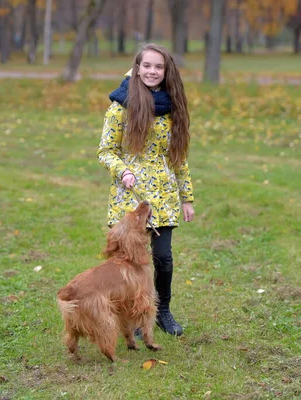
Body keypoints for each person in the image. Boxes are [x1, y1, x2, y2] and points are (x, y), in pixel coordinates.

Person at [97, 43, 195, 336]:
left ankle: (162, 310)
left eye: (159, 67)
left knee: (162, 257)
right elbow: (105, 151)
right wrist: (123, 170)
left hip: (162, 197)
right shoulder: (120, 105)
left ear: (167, 72)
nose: (152, 71)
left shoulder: (172, 106)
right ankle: (133, 317)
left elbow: (178, 157)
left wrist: (186, 197)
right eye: (147, 65)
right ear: (137, 68)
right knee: (128, 262)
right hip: (129, 197)